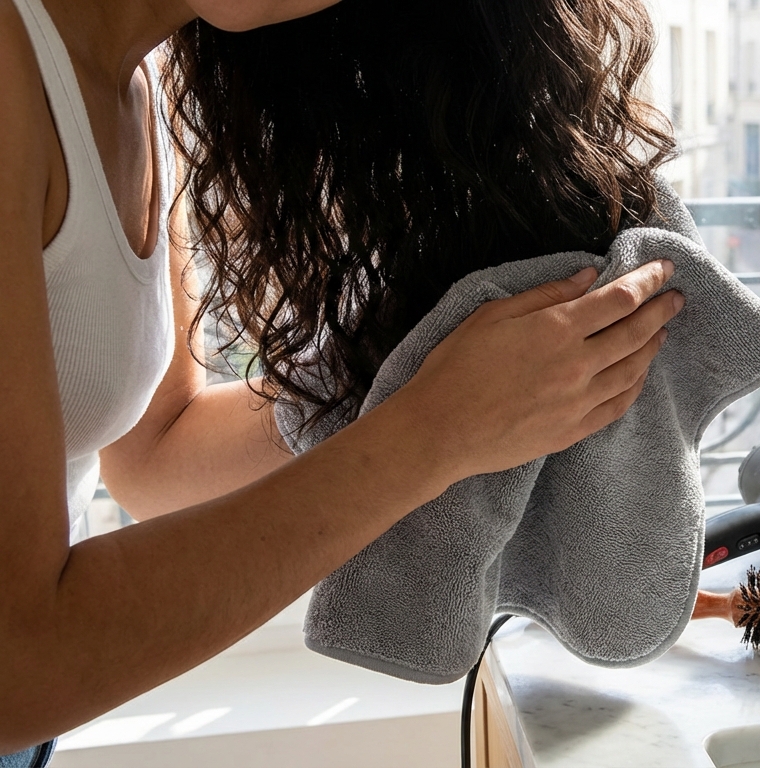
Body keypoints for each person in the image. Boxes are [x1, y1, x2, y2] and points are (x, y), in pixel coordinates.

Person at [0, 0, 679, 762]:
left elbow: (158, 453)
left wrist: (417, 376)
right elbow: (15, 668)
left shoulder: (136, 81)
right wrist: (430, 432)